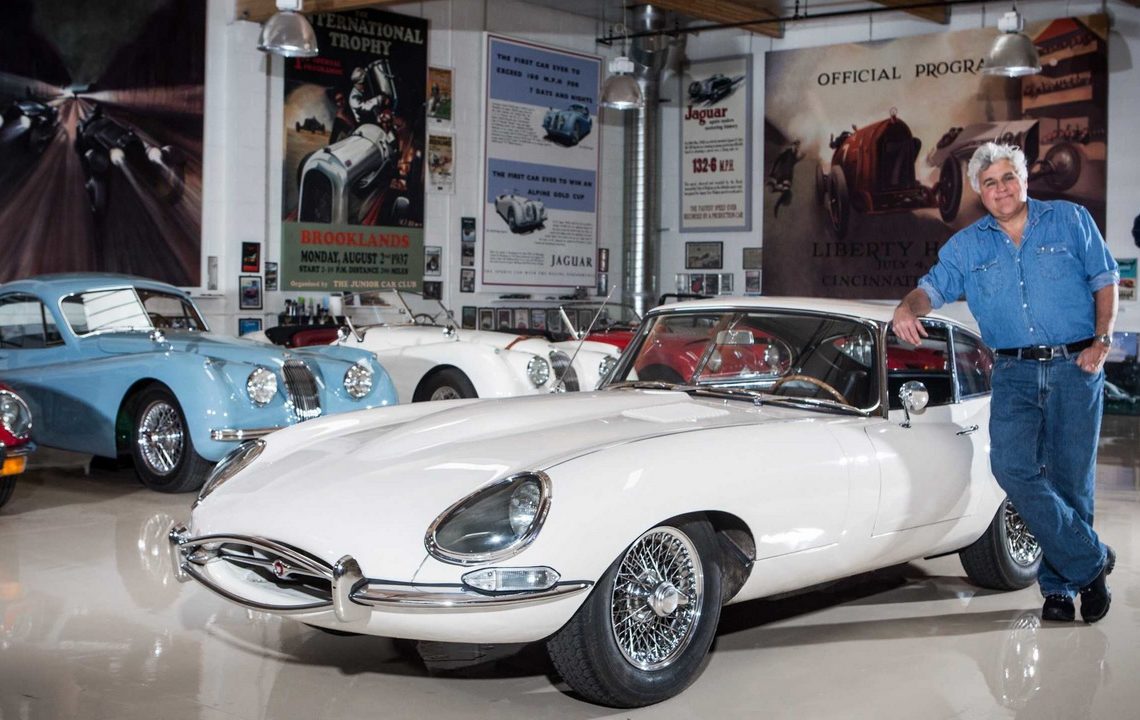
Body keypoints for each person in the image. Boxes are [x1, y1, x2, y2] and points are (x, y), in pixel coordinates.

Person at [892, 142, 1119, 624]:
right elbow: (931, 288)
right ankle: (1091, 560)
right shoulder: (966, 245)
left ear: (1024, 179)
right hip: (1014, 373)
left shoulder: (1069, 219)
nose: (1001, 189)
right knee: (1012, 468)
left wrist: (1102, 341)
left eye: (1008, 177)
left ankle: (1059, 589)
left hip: (1075, 365)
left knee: (1070, 480)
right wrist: (907, 307)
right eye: (990, 182)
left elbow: (1105, 279)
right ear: (979, 190)